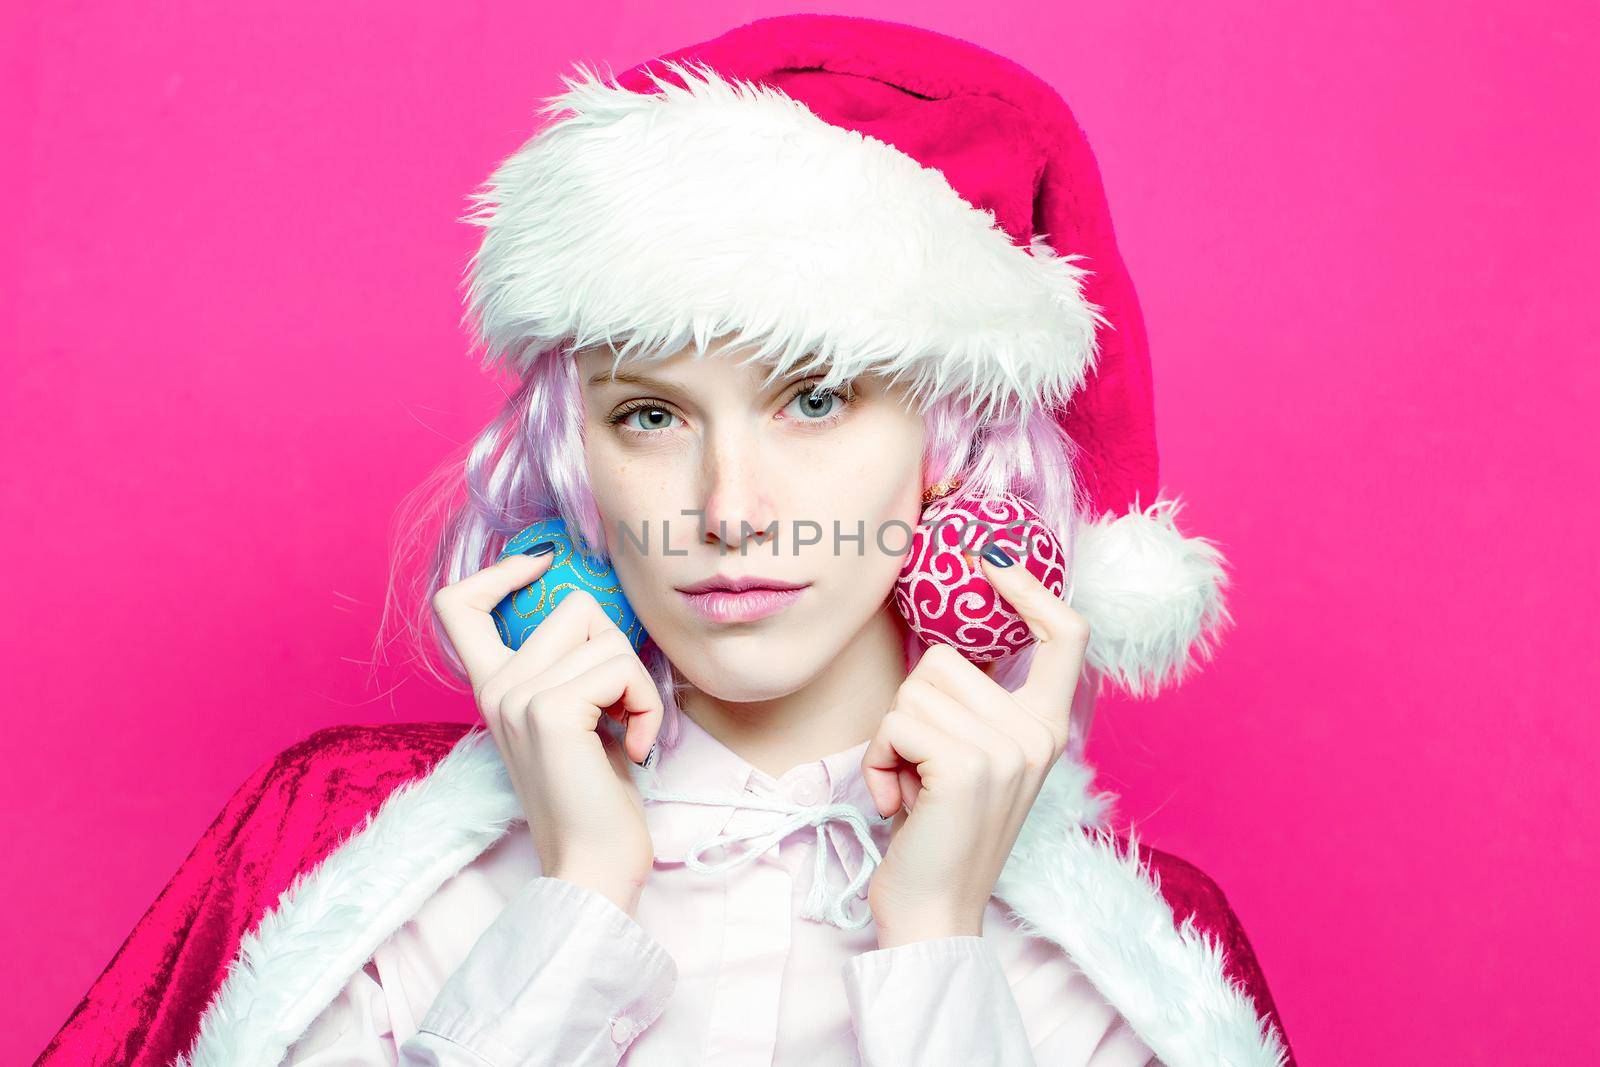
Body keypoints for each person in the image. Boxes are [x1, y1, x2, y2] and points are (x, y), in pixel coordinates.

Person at [38, 14, 1296, 1067]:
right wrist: (579, 893)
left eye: (815, 397)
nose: (729, 507)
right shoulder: (352, 867)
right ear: (576, 454)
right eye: (650, 413)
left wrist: (933, 941)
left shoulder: (1139, 967)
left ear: (953, 456)